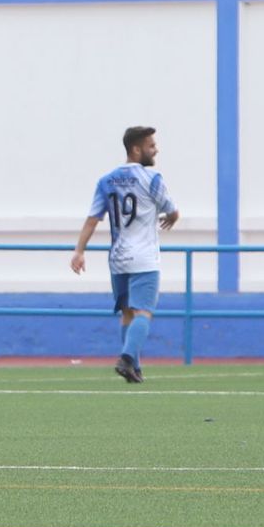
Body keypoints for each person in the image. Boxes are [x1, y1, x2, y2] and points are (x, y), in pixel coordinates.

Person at [70, 126, 179, 384]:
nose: (156, 150)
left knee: (128, 313)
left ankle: (135, 370)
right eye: (151, 146)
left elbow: (92, 220)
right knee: (144, 312)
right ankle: (128, 358)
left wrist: (79, 251)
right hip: (144, 258)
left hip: (118, 259)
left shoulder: (106, 180)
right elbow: (172, 210)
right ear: (136, 149)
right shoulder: (152, 179)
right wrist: (172, 218)